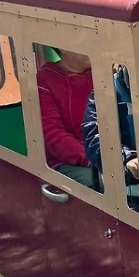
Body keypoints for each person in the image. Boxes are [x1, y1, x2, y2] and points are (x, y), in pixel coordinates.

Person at [37, 49, 95, 187]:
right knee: (103, 185)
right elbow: (52, 134)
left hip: (106, 157)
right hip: (67, 162)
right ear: (64, 48)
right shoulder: (45, 79)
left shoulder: (103, 73)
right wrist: (93, 159)